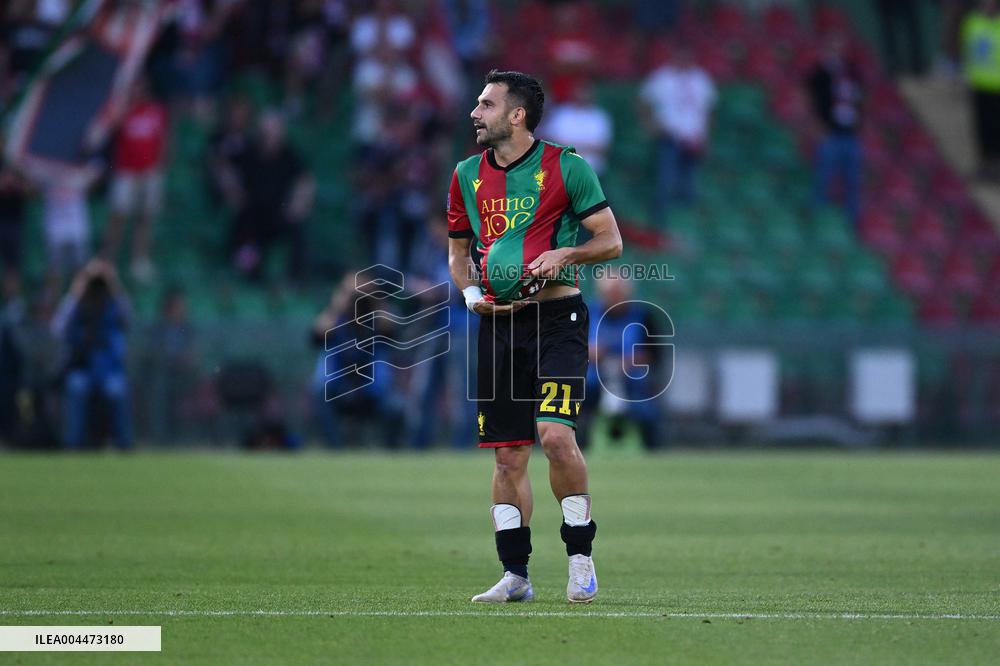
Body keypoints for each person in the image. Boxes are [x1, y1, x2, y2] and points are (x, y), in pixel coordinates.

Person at [447, 70, 623, 604]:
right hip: (497, 323)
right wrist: (472, 296)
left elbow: (610, 240)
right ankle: (515, 574)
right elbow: (458, 254)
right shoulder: (465, 175)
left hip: (558, 318)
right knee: (507, 457)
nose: (475, 113)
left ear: (516, 115)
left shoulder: (566, 167)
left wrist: (566, 254)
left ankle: (579, 555)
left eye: (486, 104)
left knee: (555, 436)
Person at [51, 259, 132, 450]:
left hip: (109, 370)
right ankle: (74, 443)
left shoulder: (113, 303)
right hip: (83, 367)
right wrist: (77, 291)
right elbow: (58, 327)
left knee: (117, 390)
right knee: (76, 387)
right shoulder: (77, 304)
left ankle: (123, 443)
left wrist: (113, 284)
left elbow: (128, 319)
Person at [227, 110, 314, 281]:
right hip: (252, 213)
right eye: (266, 131)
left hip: (278, 213)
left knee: (297, 229)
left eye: (274, 131)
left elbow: (305, 180)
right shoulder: (250, 151)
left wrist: (298, 204)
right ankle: (249, 274)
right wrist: (232, 188)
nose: (270, 135)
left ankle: (295, 278)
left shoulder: (289, 155)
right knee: (243, 227)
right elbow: (227, 165)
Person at [639, 43, 716, 224]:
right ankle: (659, 223)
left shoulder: (700, 79)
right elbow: (642, 101)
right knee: (665, 181)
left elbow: (708, 110)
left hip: (694, 139)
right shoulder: (662, 77)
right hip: (670, 137)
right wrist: (650, 125)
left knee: (689, 185)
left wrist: (706, 136)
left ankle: (684, 223)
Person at [103, 77, 169, 283]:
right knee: (118, 215)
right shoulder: (122, 110)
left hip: (150, 172)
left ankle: (139, 260)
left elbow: (164, 139)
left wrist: (159, 166)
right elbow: (109, 133)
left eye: (141, 87)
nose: (137, 91)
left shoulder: (157, 111)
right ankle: (108, 259)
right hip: (125, 172)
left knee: (145, 217)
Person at [806, 32, 864, 226]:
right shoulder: (819, 73)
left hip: (849, 133)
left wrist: (860, 121)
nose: (837, 51)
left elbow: (861, 98)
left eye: (840, 47)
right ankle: (819, 222)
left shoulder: (852, 72)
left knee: (853, 182)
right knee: (823, 179)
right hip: (829, 134)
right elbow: (809, 100)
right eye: (833, 47)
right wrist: (816, 126)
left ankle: (851, 225)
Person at [962, 0, 1000, 182]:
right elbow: (967, 51)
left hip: (997, 86)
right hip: (979, 84)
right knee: (982, 128)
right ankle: (987, 164)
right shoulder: (972, 22)